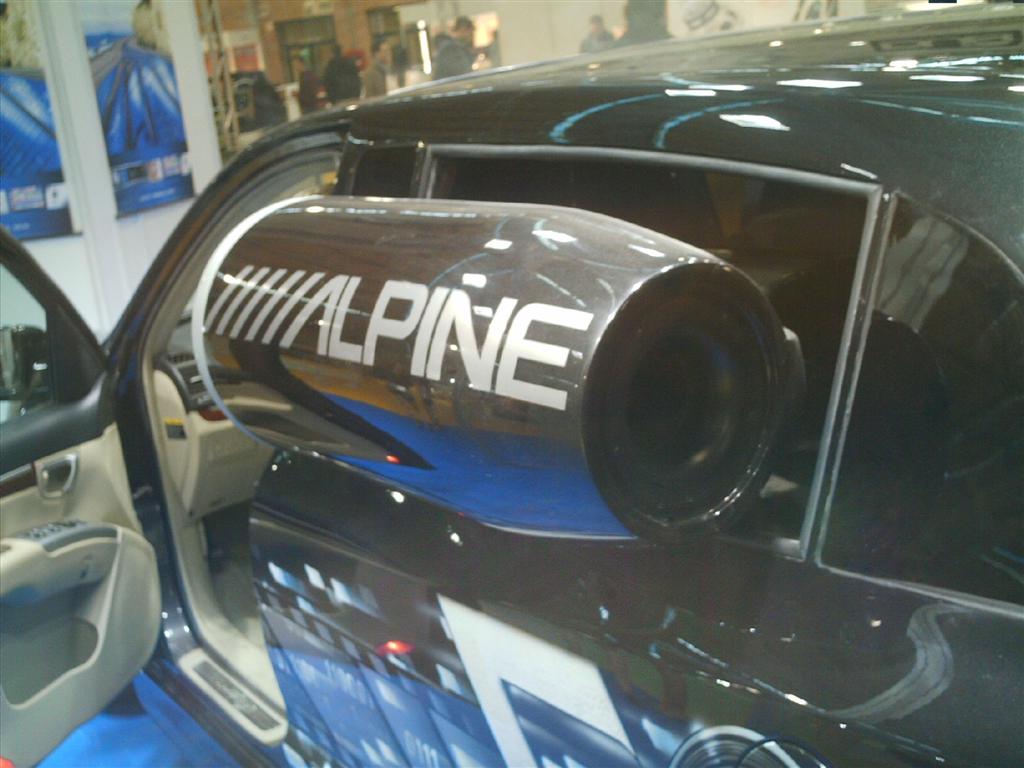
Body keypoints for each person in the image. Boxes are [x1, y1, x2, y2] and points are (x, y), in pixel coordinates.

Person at [433, 16, 476, 81]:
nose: (471, 36)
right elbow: (463, 74)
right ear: (462, 29)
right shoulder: (452, 50)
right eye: (470, 32)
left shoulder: (454, 48)